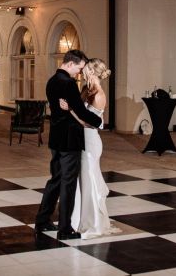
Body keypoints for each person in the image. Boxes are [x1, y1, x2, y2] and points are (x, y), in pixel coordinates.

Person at [35, 50, 102, 240]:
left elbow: (62, 110)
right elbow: (81, 112)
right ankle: (65, 229)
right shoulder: (68, 83)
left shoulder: (51, 81)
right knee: (68, 184)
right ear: (71, 64)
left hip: (56, 138)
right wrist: (100, 122)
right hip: (70, 139)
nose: (79, 73)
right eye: (79, 68)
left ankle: (42, 220)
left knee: (55, 180)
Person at [62, 58, 121, 239]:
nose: (82, 72)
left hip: (90, 141)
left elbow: (90, 123)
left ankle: (94, 222)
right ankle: (78, 219)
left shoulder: (99, 95)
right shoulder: (86, 89)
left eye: (86, 70)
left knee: (90, 181)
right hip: (80, 140)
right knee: (82, 182)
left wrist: (69, 110)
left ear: (92, 72)